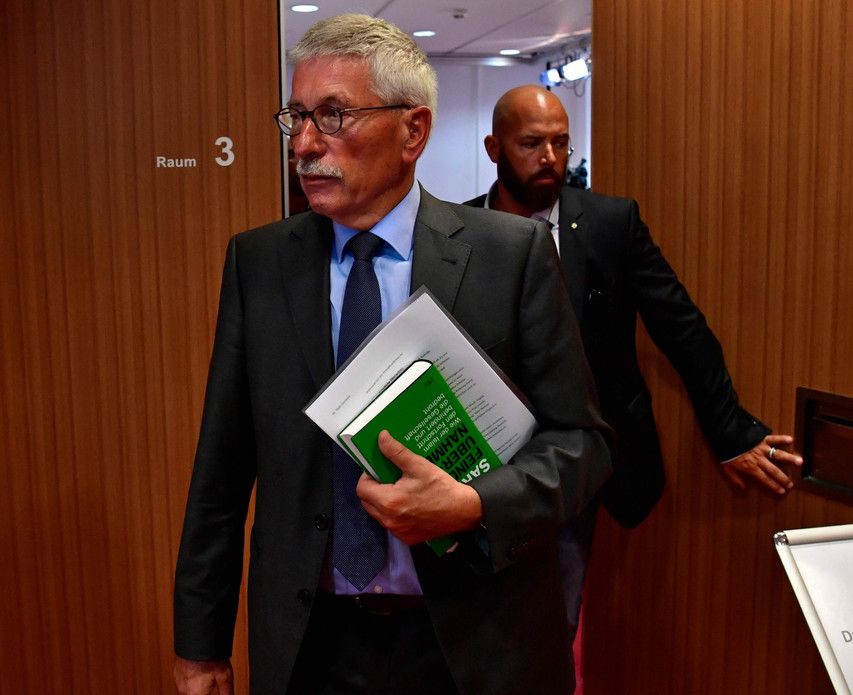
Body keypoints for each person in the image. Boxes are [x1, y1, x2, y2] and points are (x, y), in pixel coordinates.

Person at [173, 16, 610, 695]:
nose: (305, 144)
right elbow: (221, 473)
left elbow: (582, 446)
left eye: (334, 116)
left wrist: (475, 502)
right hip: (312, 646)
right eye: (298, 118)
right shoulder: (259, 264)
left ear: (414, 132)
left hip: (476, 639)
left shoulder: (510, 256)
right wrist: (200, 647)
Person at [465, 85, 804, 635]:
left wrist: (730, 432)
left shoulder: (609, 223)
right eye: (531, 144)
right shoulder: (460, 232)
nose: (549, 158)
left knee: (557, 622)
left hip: (576, 462)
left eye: (560, 143)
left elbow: (680, 325)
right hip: (484, 464)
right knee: (477, 621)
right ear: (494, 148)